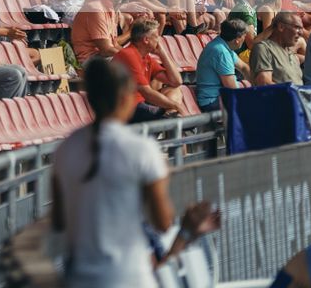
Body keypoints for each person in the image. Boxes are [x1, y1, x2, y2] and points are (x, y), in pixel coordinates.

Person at [50, 58, 220, 288]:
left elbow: (60, 219)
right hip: (128, 276)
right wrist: (187, 229)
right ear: (125, 98)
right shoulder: (141, 149)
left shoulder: (65, 149)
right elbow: (163, 223)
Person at [113, 19, 186, 121]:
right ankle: (171, 120)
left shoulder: (146, 58)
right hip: (125, 108)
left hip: (139, 104)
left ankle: (170, 118)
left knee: (175, 91)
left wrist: (162, 53)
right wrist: (177, 106)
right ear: (146, 40)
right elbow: (147, 93)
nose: (159, 40)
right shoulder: (128, 54)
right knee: (169, 112)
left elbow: (176, 81)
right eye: (156, 36)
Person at [193, 18, 248, 113]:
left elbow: (244, 67)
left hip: (219, 98)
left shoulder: (223, 44)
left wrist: (258, 86)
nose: (245, 39)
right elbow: (231, 88)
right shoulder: (221, 52)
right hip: (212, 101)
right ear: (238, 40)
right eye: (244, 37)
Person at [252, 12, 307, 87]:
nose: (301, 32)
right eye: (297, 27)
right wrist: (294, 92)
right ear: (281, 27)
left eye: (301, 29)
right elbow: (264, 83)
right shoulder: (263, 48)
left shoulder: (291, 54)